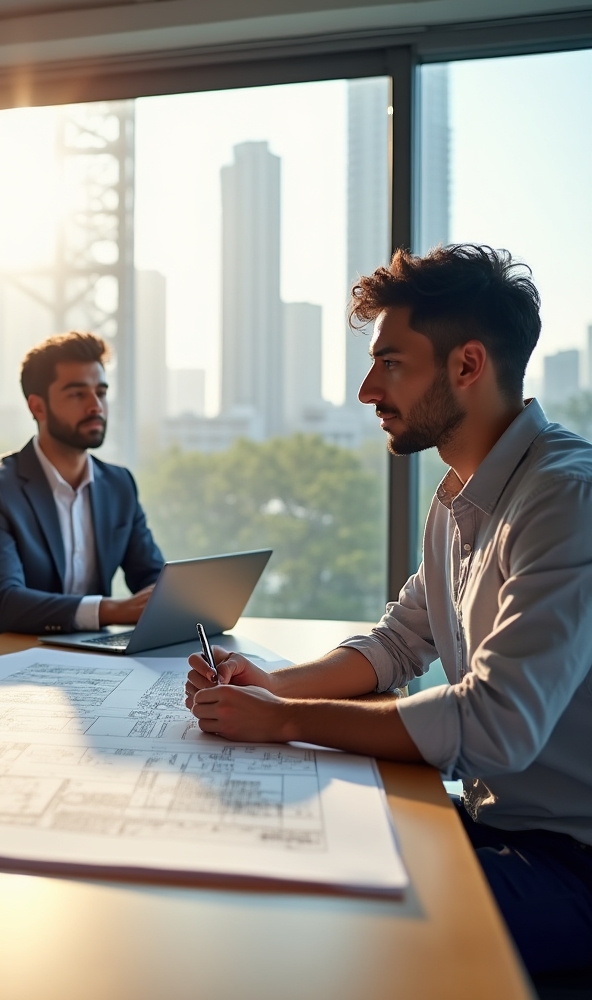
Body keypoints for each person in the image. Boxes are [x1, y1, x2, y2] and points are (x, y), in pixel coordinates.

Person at [184, 245, 592, 975]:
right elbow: (398, 644)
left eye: (391, 363)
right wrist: (270, 687)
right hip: (497, 824)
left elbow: (496, 725)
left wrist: (285, 721)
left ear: (467, 366)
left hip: (573, 864)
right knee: (276, 858)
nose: (369, 390)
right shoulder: (459, 499)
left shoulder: (567, 499)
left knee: (326, 935)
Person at [0, 331, 164, 638]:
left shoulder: (118, 484)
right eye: (77, 394)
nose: (95, 406)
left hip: (91, 652)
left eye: (101, 392)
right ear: (37, 407)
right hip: (8, 657)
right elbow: (3, 603)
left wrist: (172, 603)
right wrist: (113, 610)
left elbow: (151, 576)